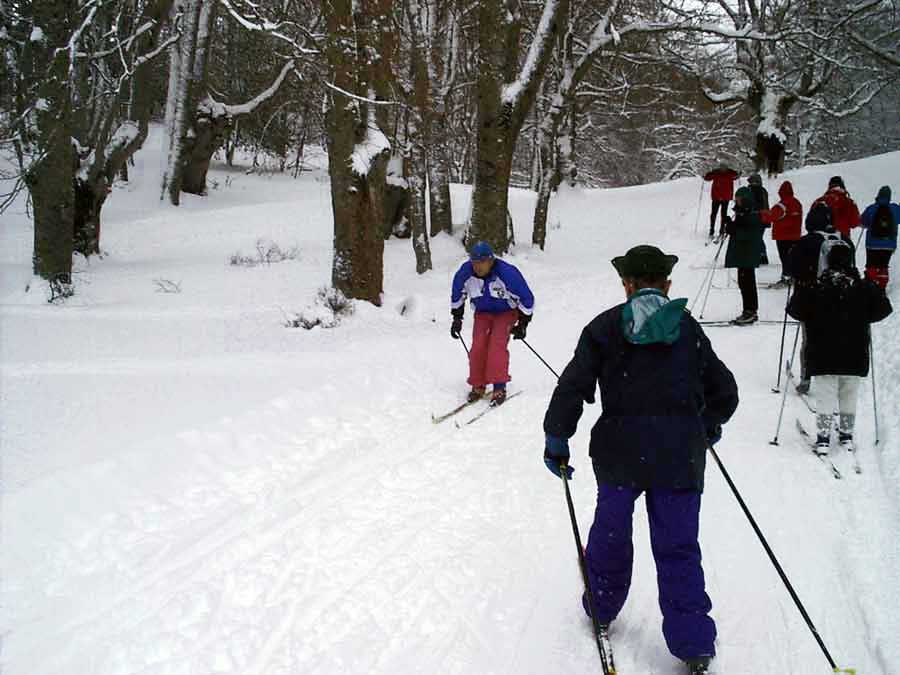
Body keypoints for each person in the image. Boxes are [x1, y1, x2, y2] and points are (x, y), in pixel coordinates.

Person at [542, 245, 738, 675]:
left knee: (611, 533)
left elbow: (572, 386)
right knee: (678, 547)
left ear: (626, 284)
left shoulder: (605, 327)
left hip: (619, 453)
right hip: (679, 457)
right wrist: (709, 424)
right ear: (667, 285)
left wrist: (557, 437)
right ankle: (694, 646)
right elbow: (725, 391)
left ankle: (602, 607)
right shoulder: (687, 329)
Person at [787, 245, 892, 454]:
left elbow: (794, 310)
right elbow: (884, 309)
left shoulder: (817, 286)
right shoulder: (862, 287)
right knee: (849, 394)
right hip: (855, 353)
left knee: (825, 395)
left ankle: (824, 438)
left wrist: (801, 290)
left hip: (823, 352)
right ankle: (846, 435)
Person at [450, 241, 534, 405]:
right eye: (474, 262)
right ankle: (478, 384)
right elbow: (457, 295)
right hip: (483, 312)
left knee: (497, 344)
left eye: (482, 262)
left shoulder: (507, 273)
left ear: (491, 260)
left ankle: (499, 386)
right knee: (478, 345)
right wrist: (457, 319)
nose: (478, 267)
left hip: (506, 312)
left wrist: (523, 324)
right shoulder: (464, 273)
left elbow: (527, 298)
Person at [788, 203, 857, 394]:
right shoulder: (844, 240)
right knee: (837, 335)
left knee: (809, 338)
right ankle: (838, 375)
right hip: (842, 298)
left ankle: (806, 378)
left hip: (811, 297)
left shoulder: (807, 241)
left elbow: (792, 268)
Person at [723, 187, 764, 324]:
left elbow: (749, 234)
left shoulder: (752, 214)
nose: (737, 202)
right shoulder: (742, 213)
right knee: (744, 282)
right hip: (743, 253)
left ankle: (750, 311)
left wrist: (733, 228)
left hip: (747, 253)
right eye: (736, 199)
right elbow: (739, 229)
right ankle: (748, 310)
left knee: (747, 283)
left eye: (739, 199)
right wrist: (730, 225)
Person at [761, 181, 803, 288]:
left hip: (782, 236)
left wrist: (761, 213)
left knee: (785, 257)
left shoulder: (782, 205)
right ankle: (793, 276)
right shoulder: (797, 203)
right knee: (792, 257)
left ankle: (786, 277)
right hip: (795, 235)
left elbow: (771, 216)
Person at [860, 186, 899, 289]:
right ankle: (881, 287)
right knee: (883, 265)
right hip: (889, 244)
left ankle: (870, 285)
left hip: (872, 244)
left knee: (871, 264)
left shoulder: (872, 208)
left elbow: (862, 222)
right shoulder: (895, 208)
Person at [703, 165, 739, 239]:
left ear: (727, 167)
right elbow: (707, 178)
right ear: (720, 167)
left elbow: (736, 176)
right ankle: (711, 231)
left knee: (723, 215)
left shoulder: (730, 173)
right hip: (716, 197)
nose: (723, 168)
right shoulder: (716, 172)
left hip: (725, 198)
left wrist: (738, 173)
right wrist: (706, 174)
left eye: (724, 167)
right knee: (713, 214)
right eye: (722, 167)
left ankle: (722, 231)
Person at [747, 173, 770, 265]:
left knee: (756, 237)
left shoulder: (756, 190)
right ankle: (761, 255)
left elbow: (761, 205)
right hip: (760, 217)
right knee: (757, 237)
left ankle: (760, 255)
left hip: (758, 217)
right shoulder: (760, 190)